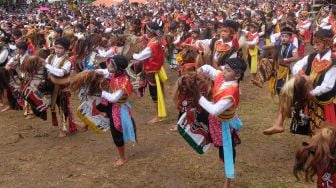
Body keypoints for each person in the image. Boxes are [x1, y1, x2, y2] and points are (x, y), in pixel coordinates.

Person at [263, 29, 336, 135]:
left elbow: (327, 86)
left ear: (328, 44)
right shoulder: (312, 57)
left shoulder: (333, 61)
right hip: (310, 92)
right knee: (289, 90)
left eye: (318, 44)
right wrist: (302, 75)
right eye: (314, 43)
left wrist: (310, 93)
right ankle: (279, 123)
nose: (314, 47)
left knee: (323, 131)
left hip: (323, 97)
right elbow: (297, 66)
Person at [197, 58, 247, 188]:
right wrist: (200, 70)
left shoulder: (232, 92)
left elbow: (214, 110)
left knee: (226, 152)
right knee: (196, 114)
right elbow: (208, 68)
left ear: (237, 75)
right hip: (215, 120)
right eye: (224, 68)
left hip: (224, 123)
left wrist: (198, 97)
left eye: (228, 70)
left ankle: (228, 180)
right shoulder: (223, 77)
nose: (223, 71)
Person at [97, 55, 136, 167]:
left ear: (118, 68)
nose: (108, 65)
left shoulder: (123, 81)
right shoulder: (115, 73)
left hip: (118, 109)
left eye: (111, 64)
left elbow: (114, 98)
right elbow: (104, 71)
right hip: (112, 105)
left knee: (116, 132)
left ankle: (123, 158)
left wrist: (101, 92)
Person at [40, 37, 77, 137]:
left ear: (65, 49)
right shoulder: (50, 57)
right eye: (56, 47)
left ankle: (63, 129)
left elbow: (60, 73)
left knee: (63, 108)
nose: (57, 50)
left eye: (60, 48)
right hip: (50, 85)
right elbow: (44, 67)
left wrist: (46, 66)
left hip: (62, 87)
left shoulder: (68, 61)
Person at [133, 22, 167, 124]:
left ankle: (158, 116)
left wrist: (132, 54)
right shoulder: (156, 42)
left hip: (152, 72)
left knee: (154, 95)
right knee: (157, 93)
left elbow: (139, 57)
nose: (146, 32)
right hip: (157, 70)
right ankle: (159, 114)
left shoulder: (151, 45)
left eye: (147, 30)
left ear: (151, 32)